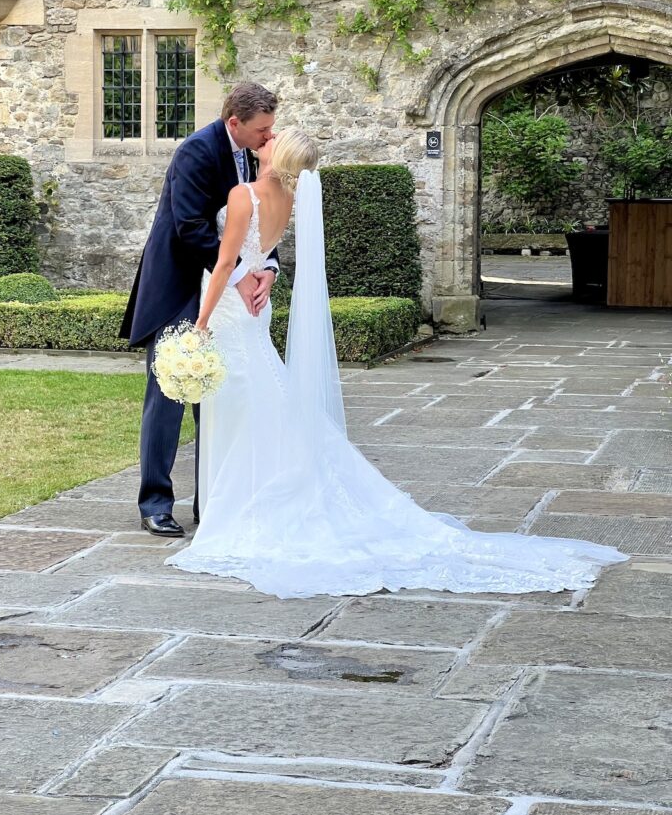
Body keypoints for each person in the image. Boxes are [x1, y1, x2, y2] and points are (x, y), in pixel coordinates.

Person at [166, 126, 628, 598]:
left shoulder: (244, 194)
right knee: (263, 403)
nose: (266, 136)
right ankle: (250, 498)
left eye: (272, 135)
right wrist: (264, 271)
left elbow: (224, 264)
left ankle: (241, 509)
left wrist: (200, 324)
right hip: (254, 315)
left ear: (276, 154)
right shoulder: (288, 199)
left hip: (228, 312)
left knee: (246, 409)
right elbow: (263, 254)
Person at [119, 83, 280, 538]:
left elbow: (259, 220)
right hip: (178, 286)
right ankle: (155, 502)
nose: (270, 137)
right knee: (169, 394)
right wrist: (238, 274)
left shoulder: (255, 153)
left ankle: (211, 499)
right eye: (262, 129)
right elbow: (190, 228)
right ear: (235, 123)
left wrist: (267, 266)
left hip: (223, 289)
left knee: (217, 400)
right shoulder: (195, 152)